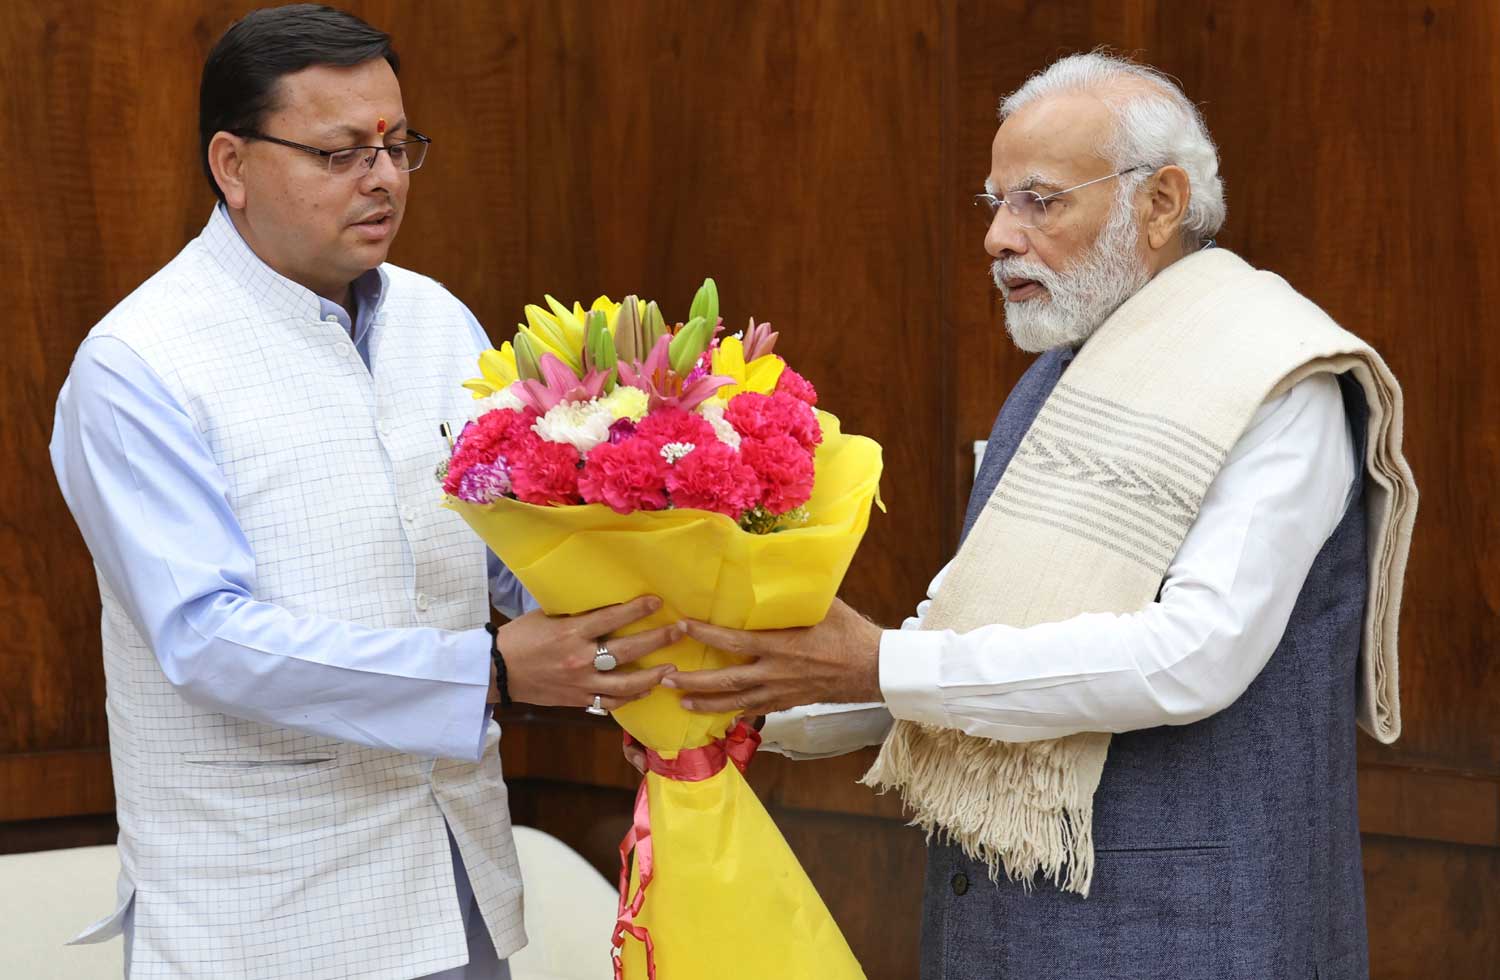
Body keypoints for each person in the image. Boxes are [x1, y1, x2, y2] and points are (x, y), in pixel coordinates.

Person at [652, 52, 1417, 979]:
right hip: (999, 928)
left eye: (1040, 202)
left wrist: (880, 664)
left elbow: (1191, 660)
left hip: (1196, 934)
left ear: (1162, 202)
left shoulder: (1277, 377)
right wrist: (744, 706)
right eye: (995, 204)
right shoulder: (1063, 371)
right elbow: (962, 639)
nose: (998, 239)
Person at [49, 6, 676, 978]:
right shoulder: (140, 365)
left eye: (396, 145)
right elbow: (208, 639)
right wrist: (495, 673)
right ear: (233, 163)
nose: (382, 178)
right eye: (340, 152)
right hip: (266, 918)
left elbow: (512, 563)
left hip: (455, 883)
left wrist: (639, 631)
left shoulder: (441, 320)